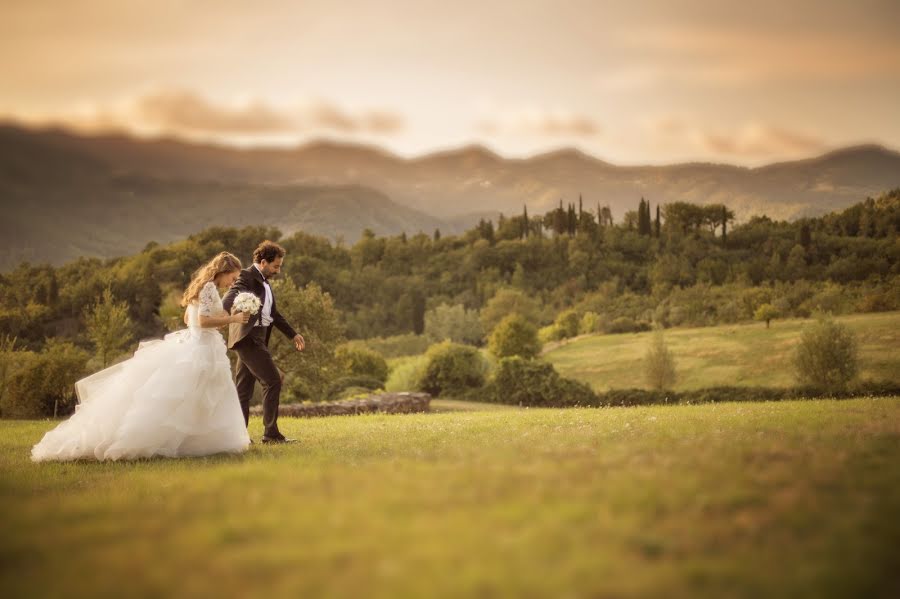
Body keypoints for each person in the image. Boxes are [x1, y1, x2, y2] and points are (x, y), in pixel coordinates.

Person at [31, 252, 252, 461]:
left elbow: (188, 318)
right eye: (232, 278)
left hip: (200, 344)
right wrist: (231, 320)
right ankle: (190, 442)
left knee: (199, 396)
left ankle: (193, 442)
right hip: (201, 350)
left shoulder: (203, 287)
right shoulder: (209, 288)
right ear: (223, 271)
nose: (232, 283)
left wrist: (223, 316)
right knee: (195, 396)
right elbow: (201, 322)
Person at [223, 240, 305, 444]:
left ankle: (238, 437)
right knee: (273, 380)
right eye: (276, 266)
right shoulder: (246, 276)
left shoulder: (266, 284)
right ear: (262, 262)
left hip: (256, 338)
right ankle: (271, 434)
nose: (278, 270)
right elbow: (233, 292)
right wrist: (223, 310)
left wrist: (293, 334)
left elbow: (273, 314)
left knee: (243, 390)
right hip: (249, 339)